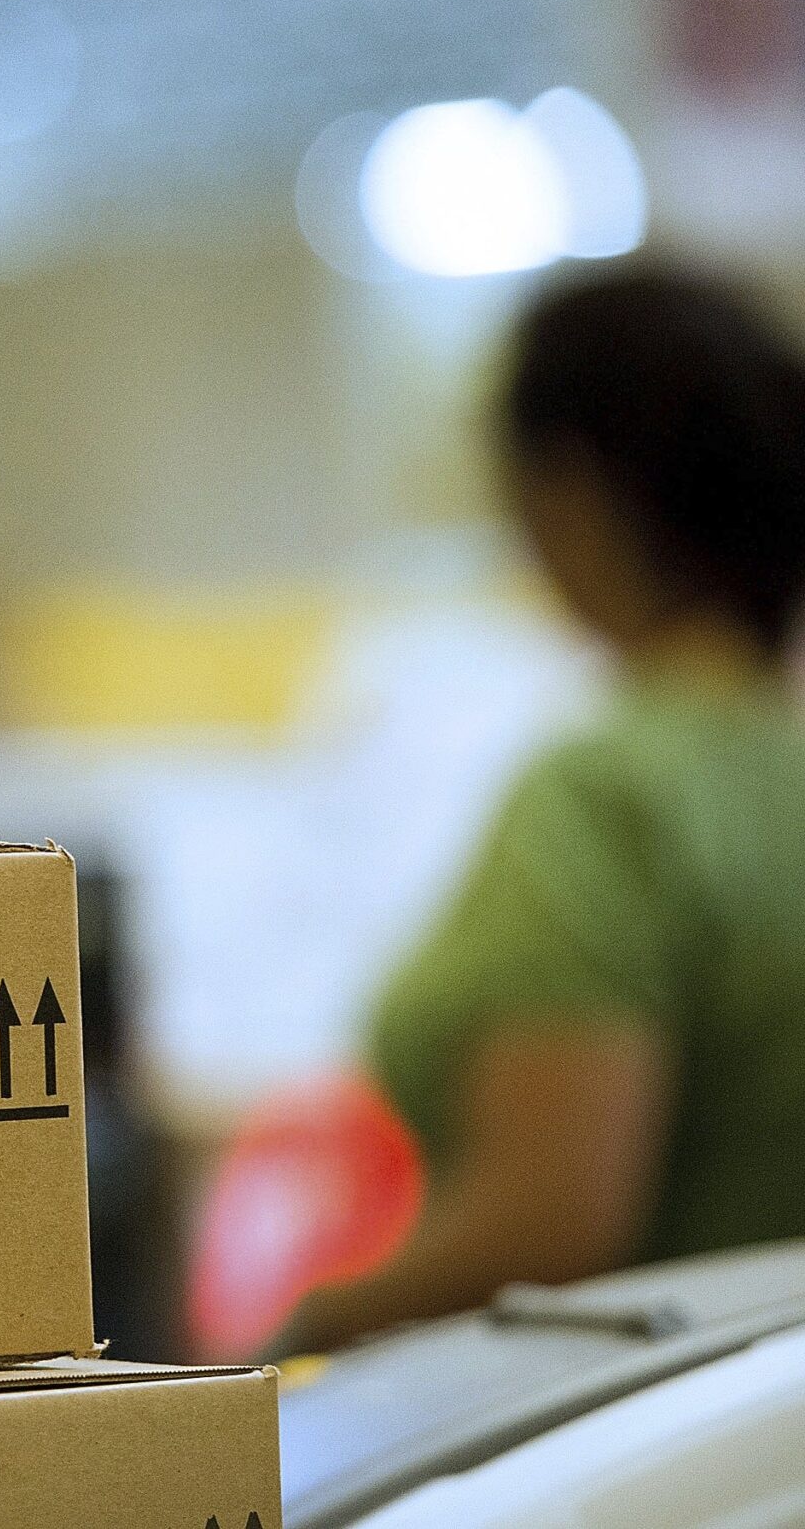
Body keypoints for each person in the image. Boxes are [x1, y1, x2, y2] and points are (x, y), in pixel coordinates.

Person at [290, 265, 805, 1347]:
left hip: (625, 1421)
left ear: (568, 491)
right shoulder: (773, 767)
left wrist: (293, 1337)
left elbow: (546, 1224)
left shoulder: (610, 797)